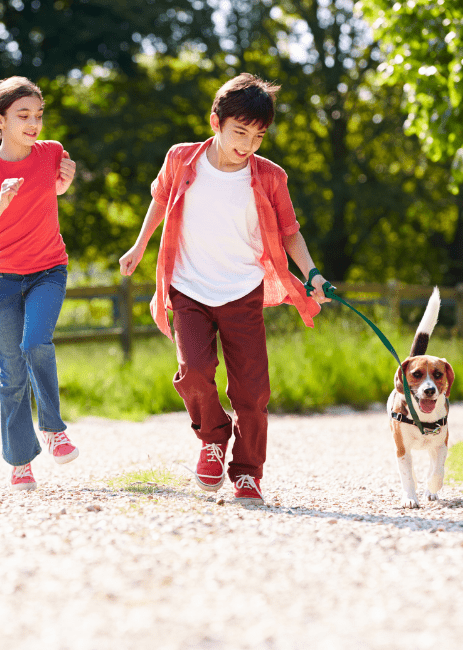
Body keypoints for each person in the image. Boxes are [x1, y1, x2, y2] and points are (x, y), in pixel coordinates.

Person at [119, 73, 331, 505]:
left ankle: (248, 472)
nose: (248, 144)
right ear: (215, 121)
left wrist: (312, 274)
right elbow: (160, 199)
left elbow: (291, 233)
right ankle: (212, 441)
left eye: (258, 135)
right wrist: (140, 245)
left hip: (243, 291)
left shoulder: (270, 176)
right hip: (188, 288)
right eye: (240, 132)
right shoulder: (182, 159)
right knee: (194, 372)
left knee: (252, 391)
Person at [0, 76, 78, 490]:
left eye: (38, 115)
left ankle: (53, 428)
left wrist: (64, 181)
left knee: (35, 343)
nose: (34, 123)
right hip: (2, 279)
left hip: (48, 269)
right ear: (1, 120)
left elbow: (57, 190)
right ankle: (20, 460)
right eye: (22, 115)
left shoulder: (51, 153)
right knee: (10, 374)